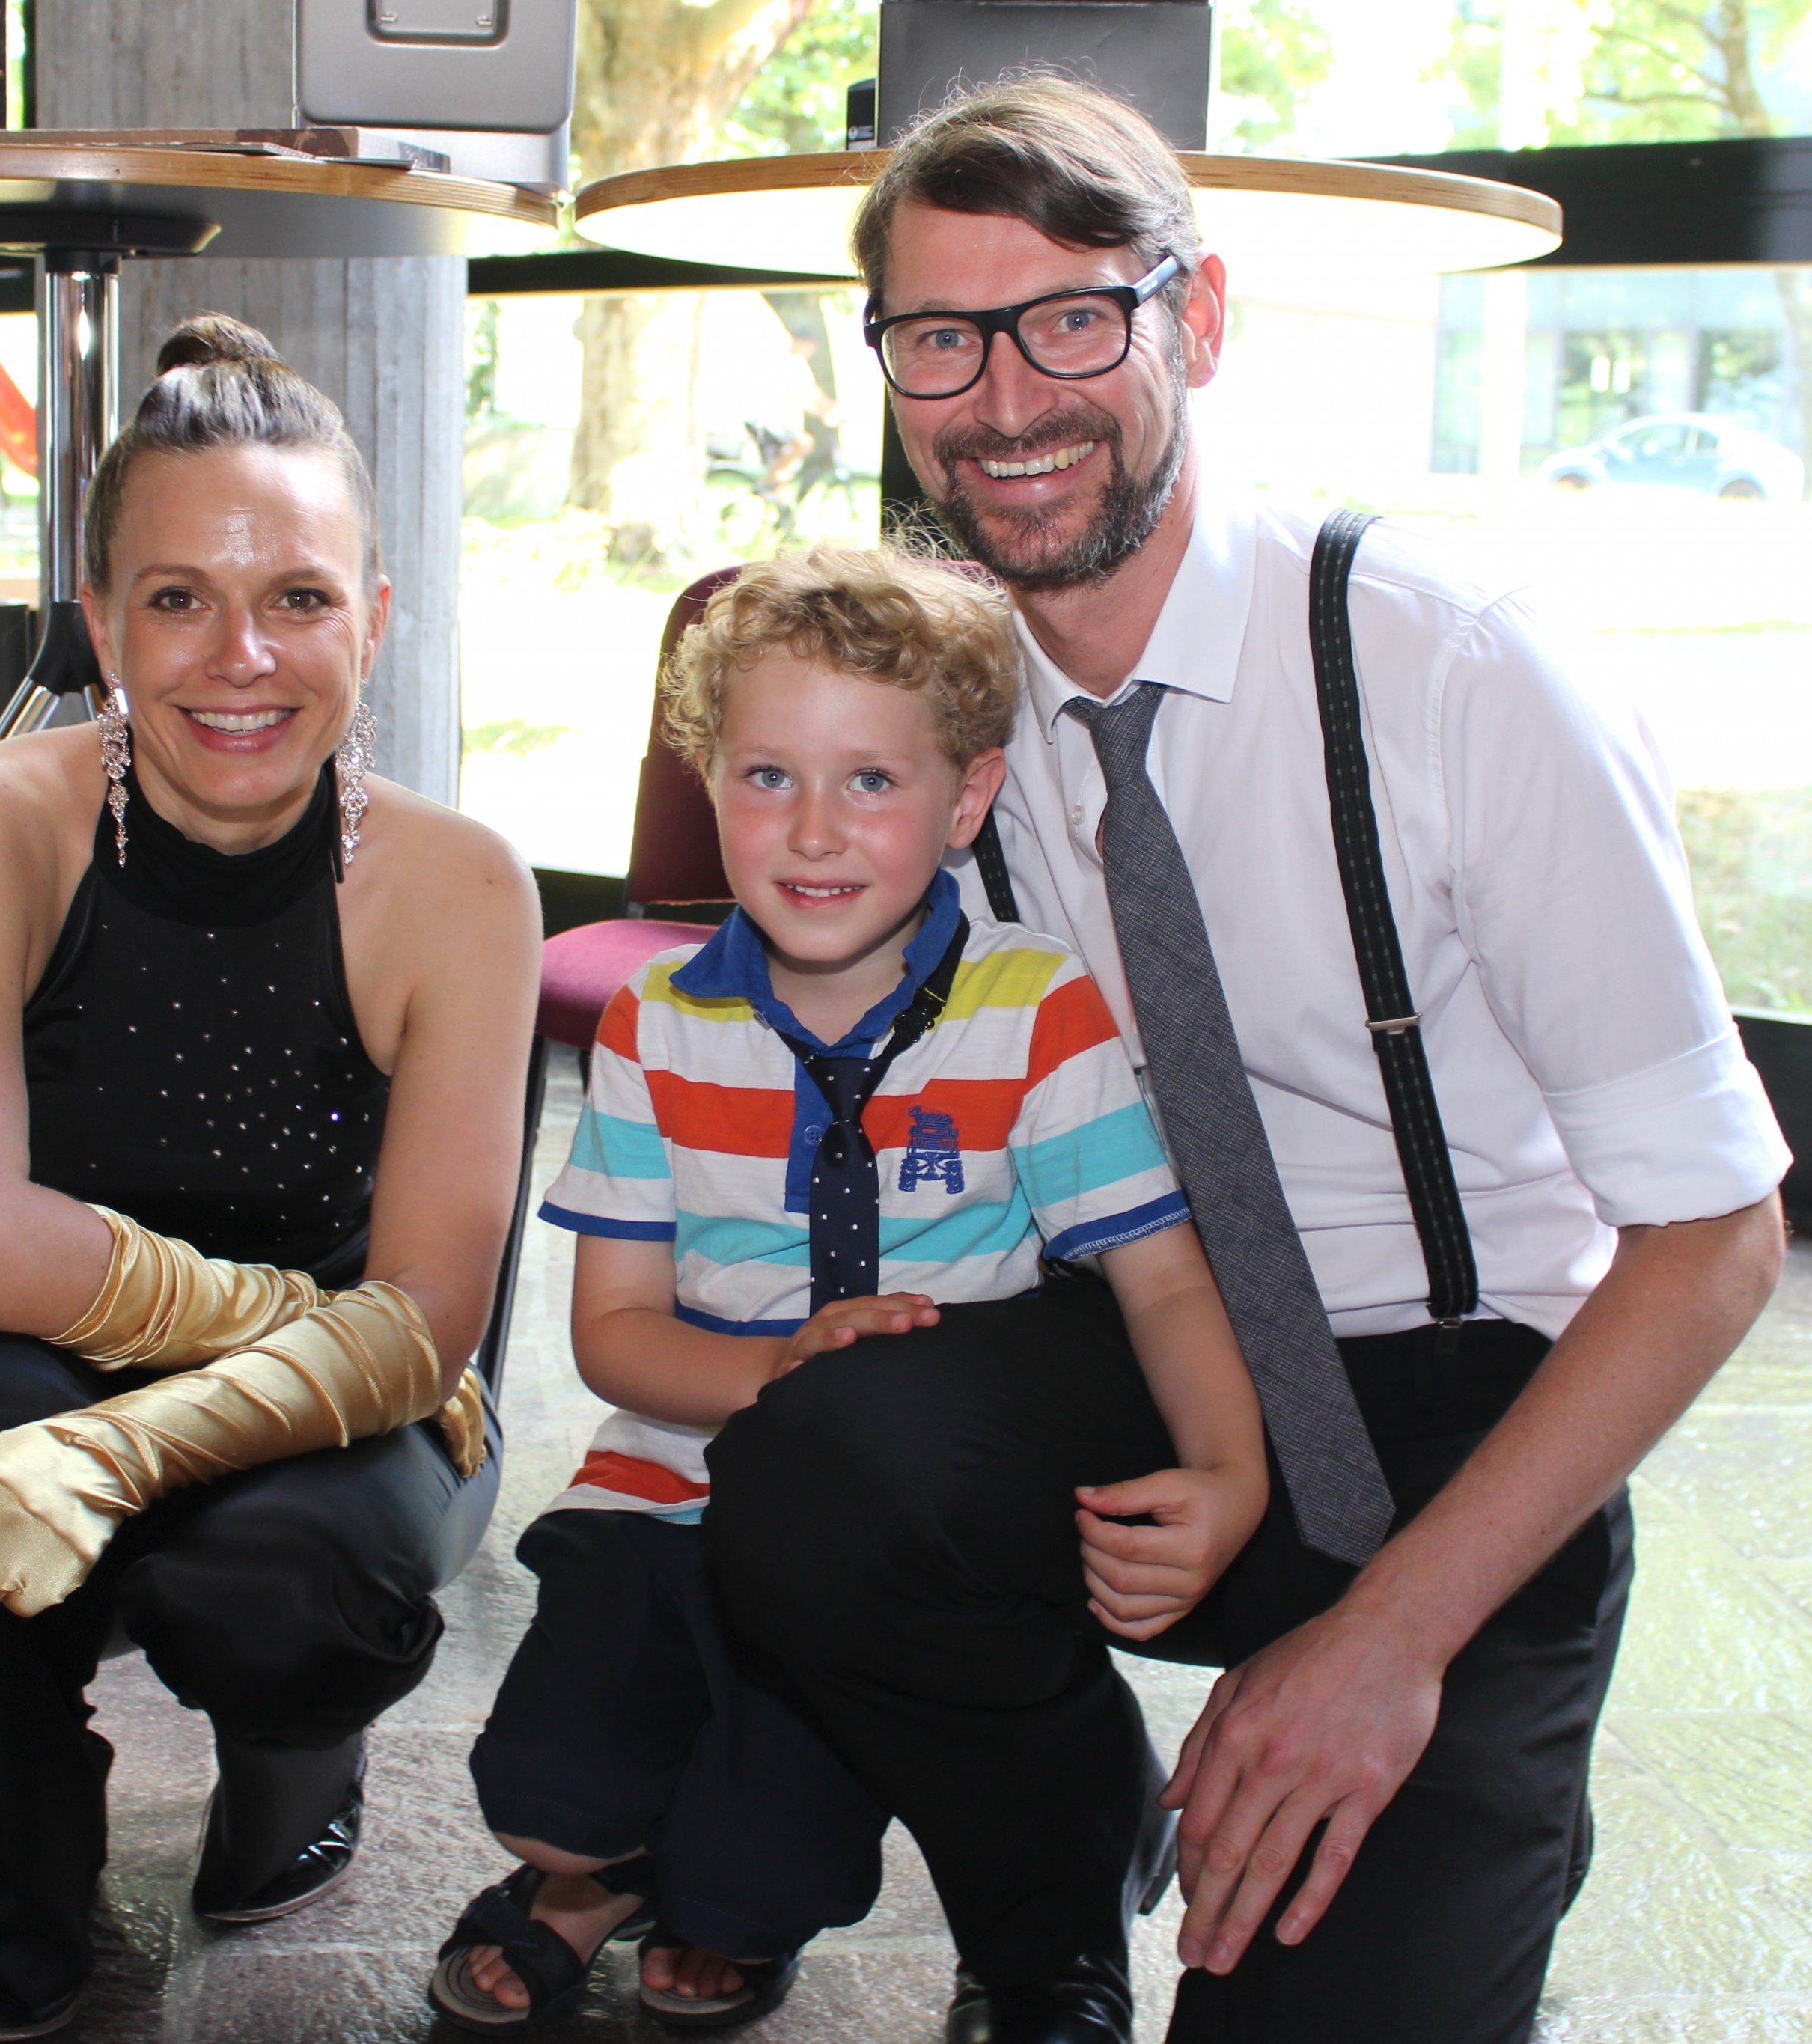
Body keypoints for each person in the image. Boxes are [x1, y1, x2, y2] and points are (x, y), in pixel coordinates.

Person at [704, 82, 1794, 2044]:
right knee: (815, 1475)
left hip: (1462, 1409)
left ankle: (1476, 1802)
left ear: (1193, 323)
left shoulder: (1453, 668)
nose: (1005, 396)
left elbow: (1714, 1232)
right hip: (1150, 1340)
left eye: (1071, 318)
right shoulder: (939, 707)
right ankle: (1053, 1895)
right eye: (940, 337)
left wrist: (1384, 1634)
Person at [0, 312, 541, 2041]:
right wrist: (308, 1316)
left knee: (278, 1594)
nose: (240, 657)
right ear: (100, 617)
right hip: (91, 1343)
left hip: (357, 1421)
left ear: (377, 615)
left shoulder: (461, 884)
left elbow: (428, 1323)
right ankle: (29, 1803)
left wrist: (135, 1434)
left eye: (298, 596)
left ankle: (296, 1748)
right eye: (177, 597)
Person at [428, 547, 1270, 2036]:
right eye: (765, 775)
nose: (813, 830)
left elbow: (1158, 1275)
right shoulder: (656, 1021)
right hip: (665, 1487)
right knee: (544, 1798)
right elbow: (613, 1335)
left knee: (752, 1883)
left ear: (965, 799)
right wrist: (782, 1376)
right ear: (711, 779)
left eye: (871, 782)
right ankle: (592, 1873)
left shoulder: (1033, 1010)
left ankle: (753, 1870)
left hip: (865, 1549)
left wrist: (1228, 1471)